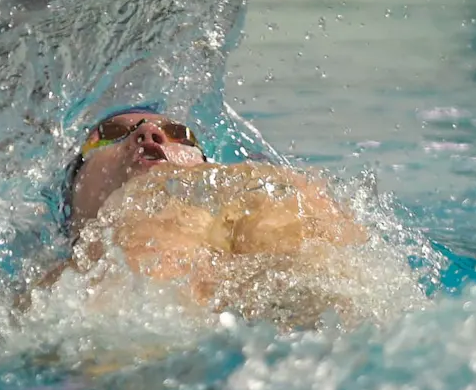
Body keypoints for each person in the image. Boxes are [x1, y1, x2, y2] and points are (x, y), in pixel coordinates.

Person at [28, 106, 372, 328]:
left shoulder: (273, 195)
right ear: (71, 200)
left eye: (180, 135)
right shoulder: (46, 291)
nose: (148, 135)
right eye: (112, 134)